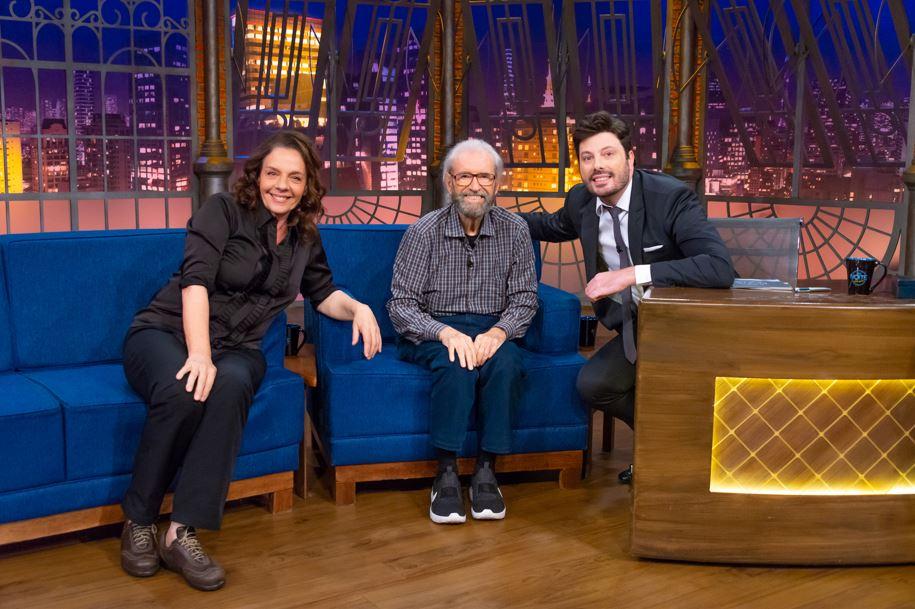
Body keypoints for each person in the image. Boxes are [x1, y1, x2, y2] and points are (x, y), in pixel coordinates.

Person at [119, 130, 382, 590]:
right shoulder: (222, 211)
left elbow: (322, 294)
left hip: (239, 349)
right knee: (186, 390)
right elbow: (195, 282)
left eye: (295, 177)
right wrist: (199, 353)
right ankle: (138, 521)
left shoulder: (304, 236)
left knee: (233, 383)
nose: (282, 185)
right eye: (273, 173)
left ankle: (182, 533)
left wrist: (358, 308)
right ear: (257, 174)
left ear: (307, 186)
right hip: (166, 332)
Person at [521, 112, 734, 483]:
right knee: (593, 385)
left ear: (630, 158)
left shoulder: (669, 198)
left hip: (684, 329)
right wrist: (484, 211)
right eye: (587, 158)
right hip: (635, 329)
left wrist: (630, 275)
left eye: (608, 154)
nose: (597, 166)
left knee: (680, 392)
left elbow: (719, 267)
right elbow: (549, 227)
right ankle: (673, 449)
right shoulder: (581, 202)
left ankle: (670, 457)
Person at [387, 138, 538, 524]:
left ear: (497, 184)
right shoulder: (423, 232)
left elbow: (524, 298)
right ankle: (447, 473)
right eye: (465, 176)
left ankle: (487, 470)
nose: (475, 185)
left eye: (484, 176)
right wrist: (445, 333)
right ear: (449, 183)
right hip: (434, 328)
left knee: (506, 365)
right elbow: (401, 305)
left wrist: (499, 333)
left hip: (492, 326)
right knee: (457, 365)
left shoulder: (516, 230)